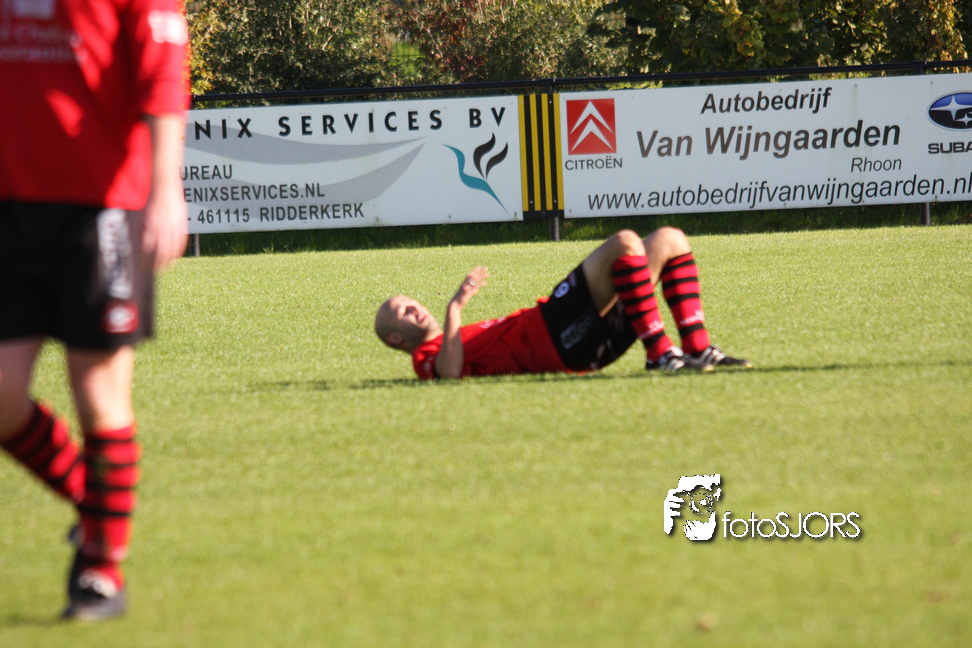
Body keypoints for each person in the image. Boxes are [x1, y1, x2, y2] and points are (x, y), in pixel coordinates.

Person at [0, 0, 190, 621]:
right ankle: (99, 507)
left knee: (98, 396)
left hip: (104, 207)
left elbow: (163, 77)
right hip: (11, 206)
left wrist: (166, 190)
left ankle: (101, 572)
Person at [375, 227, 751, 379]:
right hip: (556, 334)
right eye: (405, 312)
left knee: (671, 239)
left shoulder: (455, 339)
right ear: (396, 338)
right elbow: (449, 374)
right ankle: (660, 355)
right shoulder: (425, 358)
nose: (416, 308)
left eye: (411, 302)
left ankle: (697, 348)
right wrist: (455, 308)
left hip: (577, 335)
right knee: (624, 242)